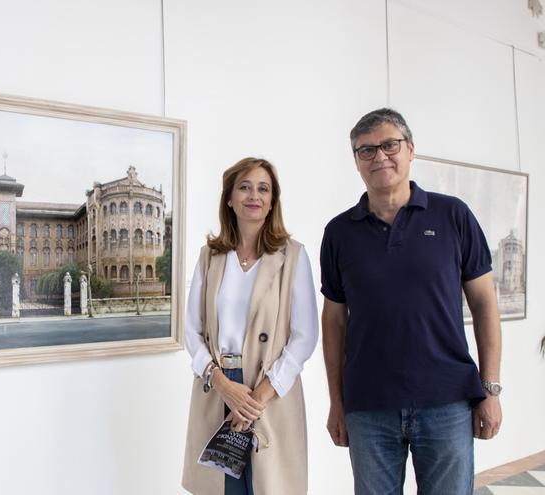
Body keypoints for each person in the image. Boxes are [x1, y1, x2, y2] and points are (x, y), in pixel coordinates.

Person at [320, 108, 503, 494]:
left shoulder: (453, 215)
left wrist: (490, 389)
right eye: (366, 150)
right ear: (355, 162)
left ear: (410, 150)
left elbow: (485, 304)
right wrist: (336, 402)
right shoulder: (339, 233)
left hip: (448, 401)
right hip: (368, 406)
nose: (379, 157)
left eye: (389, 145)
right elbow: (334, 323)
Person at [182, 157, 319, 495]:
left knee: (268, 486)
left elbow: (305, 336)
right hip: (218, 387)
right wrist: (222, 384)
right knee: (223, 488)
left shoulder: (293, 256)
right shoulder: (209, 256)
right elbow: (191, 331)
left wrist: (256, 398)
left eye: (263, 188)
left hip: (270, 389)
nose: (253, 195)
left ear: (273, 200)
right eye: (244, 187)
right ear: (229, 198)